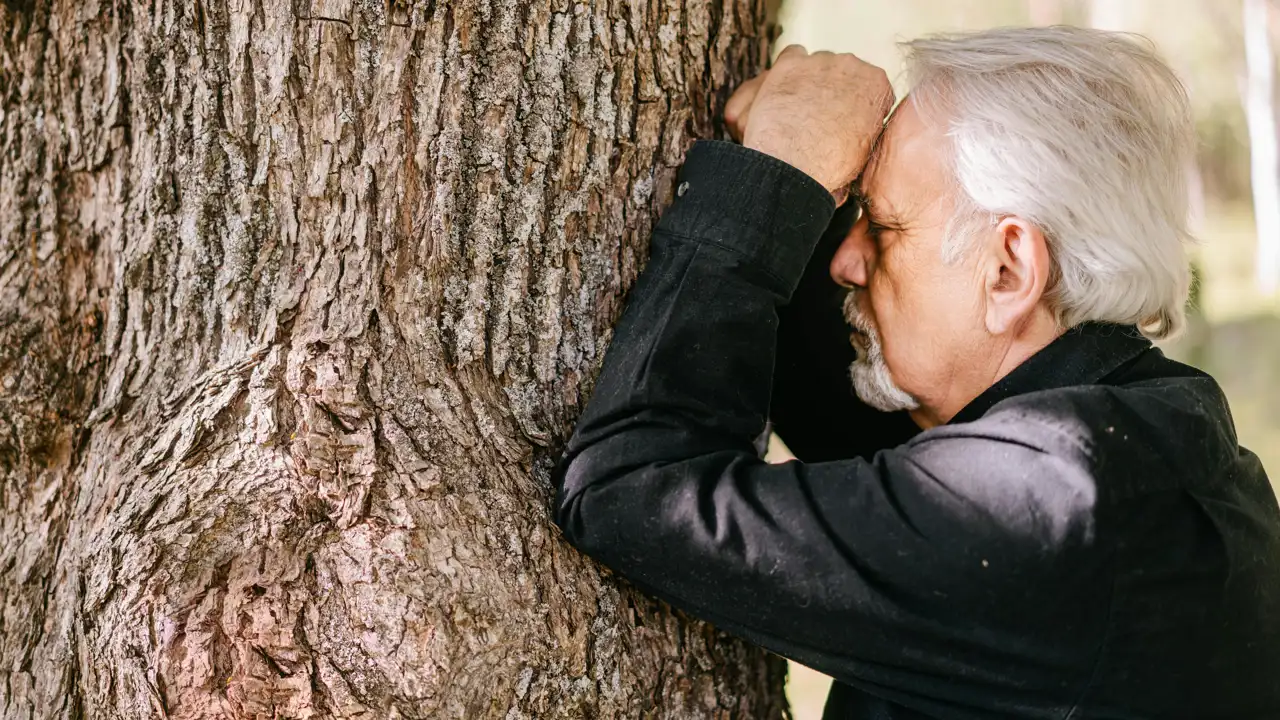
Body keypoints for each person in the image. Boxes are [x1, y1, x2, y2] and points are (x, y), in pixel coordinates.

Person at [553, 26, 1280, 719]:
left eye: (884, 227)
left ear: (1007, 271)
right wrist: (802, 160)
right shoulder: (1150, 426)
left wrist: (769, 181)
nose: (846, 260)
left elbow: (625, 491)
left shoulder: (1048, 505)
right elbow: (831, 401)